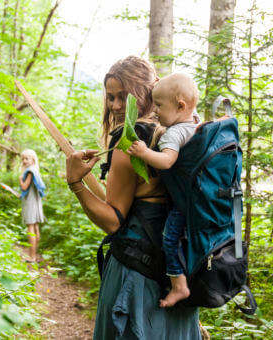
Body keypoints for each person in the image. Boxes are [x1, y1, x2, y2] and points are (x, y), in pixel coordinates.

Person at [66, 56, 201, 339]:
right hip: (178, 277)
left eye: (123, 97)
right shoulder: (179, 134)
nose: (115, 106)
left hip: (136, 277)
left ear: (146, 91)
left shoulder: (131, 140)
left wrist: (76, 182)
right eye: (110, 97)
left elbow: (113, 220)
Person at [127, 73, 199, 308]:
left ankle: (179, 286)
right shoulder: (196, 124)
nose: (155, 111)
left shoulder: (175, 133)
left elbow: (167, 161)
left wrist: (143, 153)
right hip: (199, 200)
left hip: (184, 203)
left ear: (180, 106)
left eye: (159, 105)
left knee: (169, 240)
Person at [19, 149, 45, 263]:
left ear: (33, 159)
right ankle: (34, 255)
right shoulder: (36, 170)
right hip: (36, 202)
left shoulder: (29, 171)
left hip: (30, 203)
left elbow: (24, 187)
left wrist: (20, 179)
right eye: (23, 159)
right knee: (35, 227)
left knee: (30, 227)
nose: (24, 161)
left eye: (27, 158)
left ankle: (32, 257)